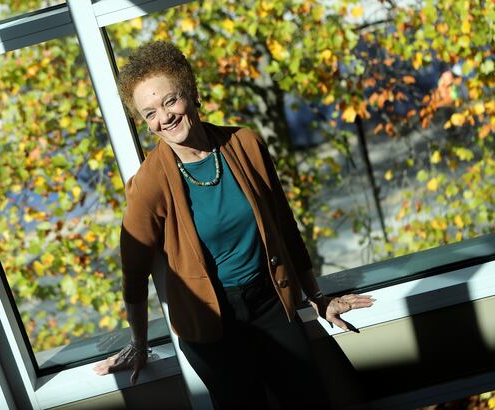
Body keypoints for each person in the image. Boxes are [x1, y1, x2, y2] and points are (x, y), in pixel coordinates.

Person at [93, 40, 374, 409]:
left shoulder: (245, 144)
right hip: (211, 324)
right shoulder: (149, 184)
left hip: (270, 302)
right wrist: (139, 342)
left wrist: (316, 297)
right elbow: (134, 272)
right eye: (150, 113)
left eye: (170, 101)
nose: (165, 117)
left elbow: (284, 227)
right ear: (145, 124)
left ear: (191, 93)